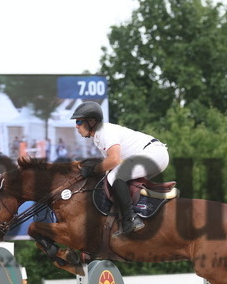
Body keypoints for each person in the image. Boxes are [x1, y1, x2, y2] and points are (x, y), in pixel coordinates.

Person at [72, 101, 169, 237]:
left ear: (92, 121)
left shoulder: (104, 131)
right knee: (117, 180)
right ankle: (138, 213)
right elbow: (113, 164)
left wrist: (93, 170)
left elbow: (114, 160)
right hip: (152, 155)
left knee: (115, 177)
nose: (76, 126)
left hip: (153, 153)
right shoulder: (98, 137)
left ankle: (132, 219)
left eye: (78, 121)